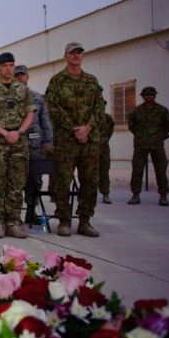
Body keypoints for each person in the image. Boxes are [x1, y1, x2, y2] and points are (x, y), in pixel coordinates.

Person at [45, 42, 106, 237]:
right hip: (66, 140)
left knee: (90, 181)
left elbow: (99, 107)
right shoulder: (57, 81)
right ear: (66, 56)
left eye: (79, 52)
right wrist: (75, 129)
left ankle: (85, 221)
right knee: (63, 181)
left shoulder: (91, 81)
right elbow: (53, 108)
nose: (76, 56)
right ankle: (64, 220)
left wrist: (87, 128)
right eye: (72, 53)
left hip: (89, 140)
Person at [0, 53, 35, 239]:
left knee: (17, 184)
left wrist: (18, 133)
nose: (8, 68)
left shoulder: (23, 90)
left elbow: (30, 113)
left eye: (11, 65)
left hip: (18, 142)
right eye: (4, 65)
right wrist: (4, 133)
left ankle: (13, 222)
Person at [14, 64, 53, 222]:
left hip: (35, 145)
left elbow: (45, 121)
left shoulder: (38, 97)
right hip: (16, 143)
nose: (20, 77)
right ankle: (15, 214)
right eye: (17, 75)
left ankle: (31, 211)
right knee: (16, 179)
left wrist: (48, 141)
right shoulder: (9, 98)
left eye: (22, 75)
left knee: (35, 179)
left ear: (27, 77)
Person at [127, 86, 169, 206]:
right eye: (146, 95)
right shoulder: (137, 111)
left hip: (157, 144)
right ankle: (135, 194)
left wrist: (161, 135)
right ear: (142, 97)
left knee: (161, 169)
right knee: (137, 169)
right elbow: (131, 125)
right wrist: (139, 135)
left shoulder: (162, 110)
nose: (149, 96)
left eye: (151, 94)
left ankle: (163, 195)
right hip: (141, 144)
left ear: (154, 95)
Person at [98, 112, 115, 203]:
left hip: (103, 149)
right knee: (87, 173)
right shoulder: (87, 116)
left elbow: (110, 130)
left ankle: (105, 193)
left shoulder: (107, 118)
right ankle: (87, 195)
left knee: (104, 171)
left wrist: (103, 140)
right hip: (89, 149)